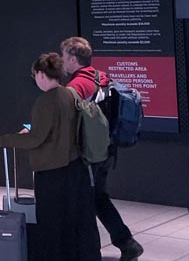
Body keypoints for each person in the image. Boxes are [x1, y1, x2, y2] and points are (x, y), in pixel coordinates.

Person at [0, 53, 101, 261]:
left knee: (51, 224)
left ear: (41, 74)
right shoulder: (70, 95)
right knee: (74, 221)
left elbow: (35, 139)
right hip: (75, 168)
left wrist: (2, 140)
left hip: (51, 172)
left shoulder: (45, 101)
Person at [61, 36, 144, 261]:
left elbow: (66, 119)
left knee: (86, 201)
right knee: (98, 198)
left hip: (90, 154)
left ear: (73, 58)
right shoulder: (101, 77)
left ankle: (92, 251)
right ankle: (127, 243)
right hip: (107, 150)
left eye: (65, 57)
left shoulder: (77, 85)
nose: (62, 62)